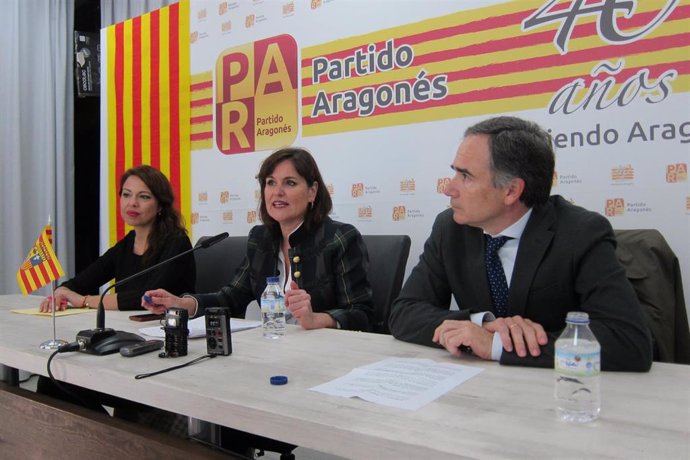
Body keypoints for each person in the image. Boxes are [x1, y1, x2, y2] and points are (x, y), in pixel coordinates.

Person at [388, 116, 653, 372]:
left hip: (558, 394)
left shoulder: (581, 234)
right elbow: (404, 313)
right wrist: (478, 324)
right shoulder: (451, 229)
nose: (449, 189)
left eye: (466, 176)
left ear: (511, 191)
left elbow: (628, 342)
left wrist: (496, 345)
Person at [144, 146, 373, 329]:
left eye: (290, 183)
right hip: (272, 348)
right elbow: (232, 297)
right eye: (270, 182)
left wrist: (318, 319)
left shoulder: (340, 238)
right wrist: (182, 304)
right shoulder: (260, 239)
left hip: (325, 356)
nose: (277, 192)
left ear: (312, 192)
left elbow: (363, 314)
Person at [39, 164, 195, 312]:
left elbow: (146, 298)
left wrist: (84, 301)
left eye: (144, 197)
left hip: (165, 331)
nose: (132, 203)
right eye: (126, 194)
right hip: (126, 327)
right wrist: (61, 292)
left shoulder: (177, 242)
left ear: (160, 205)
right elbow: (80, 282)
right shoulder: (127, 244)